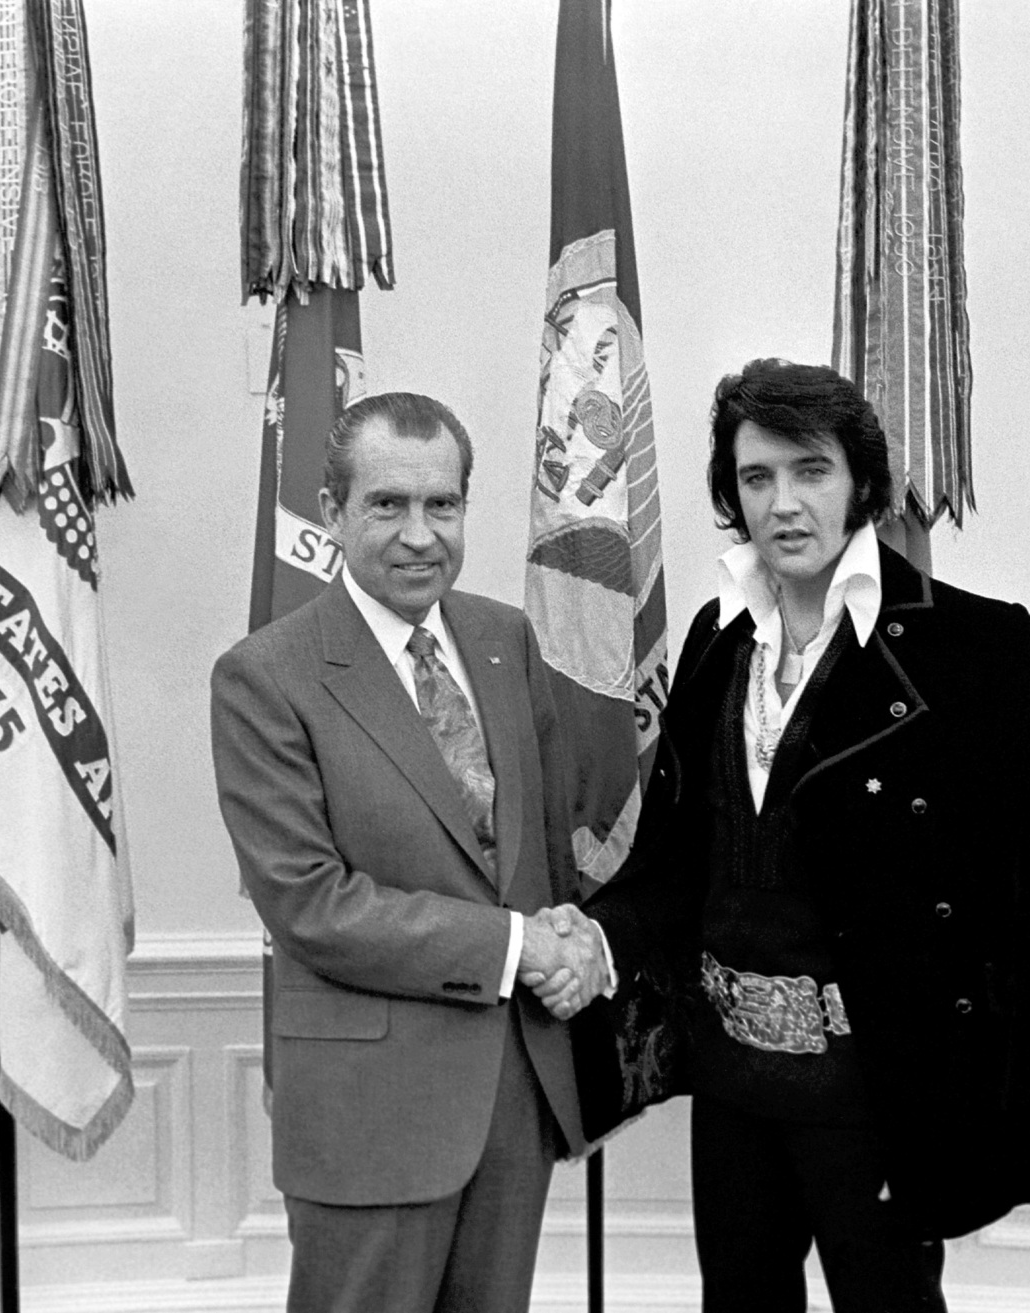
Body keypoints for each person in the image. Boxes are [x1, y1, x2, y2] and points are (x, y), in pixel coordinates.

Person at [543, 359, 1030, 1312]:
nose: (783, 503)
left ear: (862, 482)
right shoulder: (716, 639)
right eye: (757, 477)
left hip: (880, 1090)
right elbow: (678, 862)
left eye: (811, 470)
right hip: (732, 1082)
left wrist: (993, 1102)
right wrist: (591, 934)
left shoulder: (978, 648)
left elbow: (1022, 902)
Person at [210, 391, 610, 1313]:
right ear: (332, 510)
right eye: (388, 504)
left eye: (443, 504)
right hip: (368, 1116)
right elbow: (309, 902)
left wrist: (577, 937)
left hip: (514, 1097)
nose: (419, 535)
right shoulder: (264, 676)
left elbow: (542, 852)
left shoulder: (505, 639)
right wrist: (518, 946)